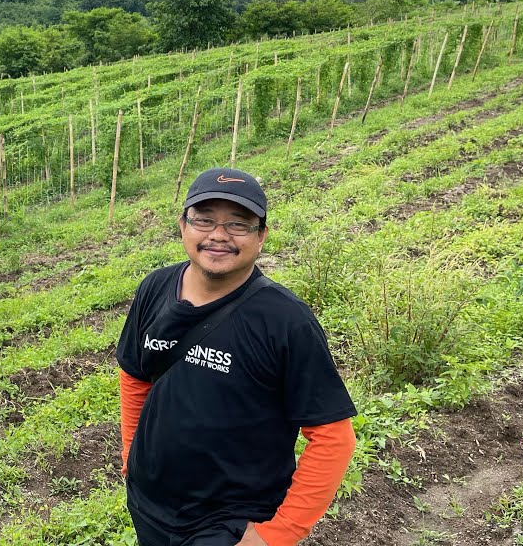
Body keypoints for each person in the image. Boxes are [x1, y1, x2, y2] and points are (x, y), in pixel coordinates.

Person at [117, 167, 357, 546]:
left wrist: (276, 535)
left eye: (238, 224)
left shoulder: (285, 320)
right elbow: (134, 375)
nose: (218, 235)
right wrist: (133, 453)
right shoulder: (155, 288)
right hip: (150, 504)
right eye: (205, 219)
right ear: (183, 226)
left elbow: (333, 437)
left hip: (227, 523)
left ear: (261, 236)